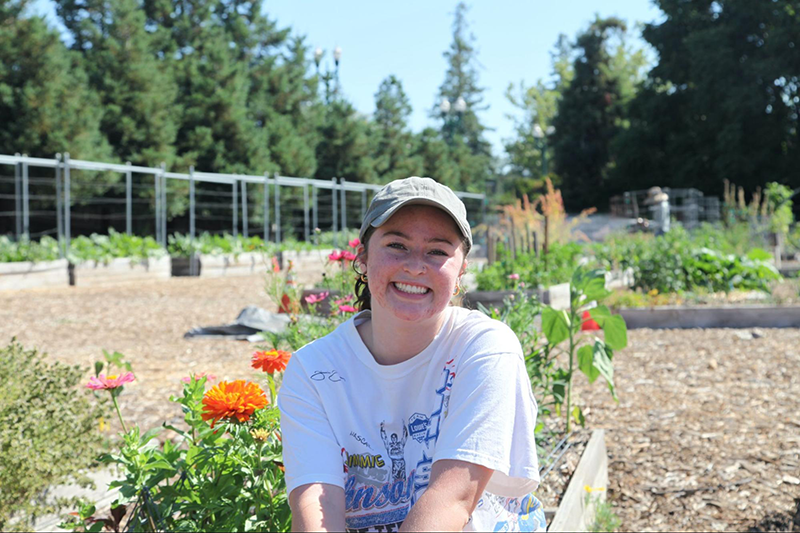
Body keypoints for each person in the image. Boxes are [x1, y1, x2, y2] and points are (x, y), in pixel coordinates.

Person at [278, 176, 546, 532]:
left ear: (462, 269)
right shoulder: (313, 369)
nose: (415, 266)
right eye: (397, 245)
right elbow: (316, 502)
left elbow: (452, 500)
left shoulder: (485, 348)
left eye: (437, 251)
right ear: (362, 256)